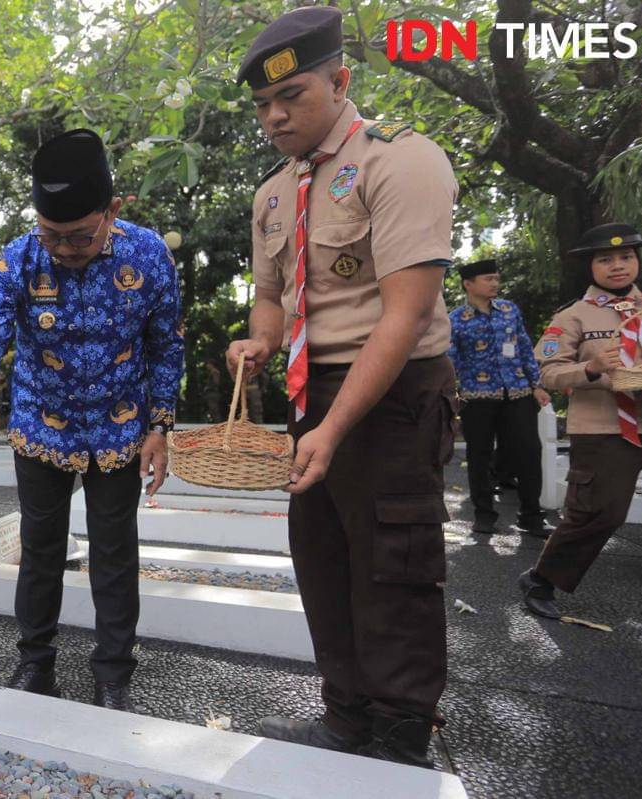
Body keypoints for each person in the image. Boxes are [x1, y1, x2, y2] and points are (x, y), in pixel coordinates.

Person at [226, 6, 458, 767]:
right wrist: (260, 341)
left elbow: (405, 312)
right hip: (308, 393)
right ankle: (346, 716)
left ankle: (400, 732)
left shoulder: (401, 161)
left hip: (391, 396)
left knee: (392, 560)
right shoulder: (271, 194)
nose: (274, 116)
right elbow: (272, 295)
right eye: (262, 105)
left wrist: (334, 426)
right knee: (321, 556)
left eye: (290, 96)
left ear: (341, 80)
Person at [0, 129, 184, 711]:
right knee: (40, 551)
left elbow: (166, 347)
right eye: (52, 235)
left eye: (80, 236)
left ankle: (113, 671)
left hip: (119, 429)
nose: (63, 249)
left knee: (115, 554)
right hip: (43, 426)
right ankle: (35, 662)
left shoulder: (149, 256)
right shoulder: (19, 257)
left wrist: (161, 425)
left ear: (113, 211)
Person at [521, 223, 642, 618]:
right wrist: (591, 368)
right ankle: (541, 578)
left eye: (626, 257)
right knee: (601, 511)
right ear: (590, 267)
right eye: (606, 259)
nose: (618, 266)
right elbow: (547, 371)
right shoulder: (573, 316)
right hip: (605, 429)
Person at [448, 259, 553, 536]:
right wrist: (451, 392)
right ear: (468, 284)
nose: (494, 283)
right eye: (488, 279)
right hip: (477, 396)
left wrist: (536, 384)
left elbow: (524, 347)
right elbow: (451, 360)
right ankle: (484, 514)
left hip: (517, 392)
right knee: (479, 455)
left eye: (496, 278)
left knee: (529, 452)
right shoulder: (457, 319)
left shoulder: (509, 310)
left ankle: (531, 515)